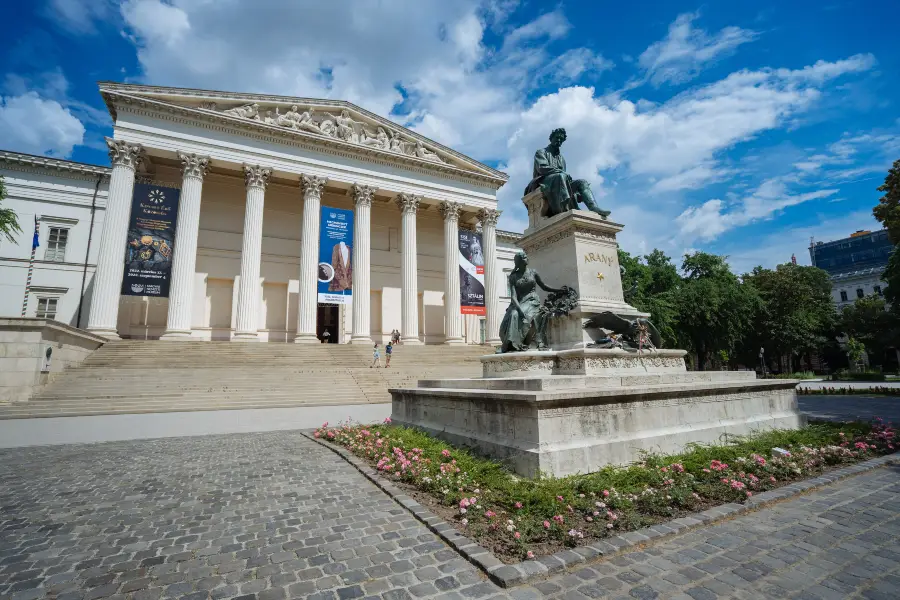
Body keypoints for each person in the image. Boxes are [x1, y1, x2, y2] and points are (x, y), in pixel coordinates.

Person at [497, 251, 567, 353]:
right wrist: (519, 310)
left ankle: (513, 344)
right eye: (524, 258)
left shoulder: (533, 272)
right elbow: (513, 296)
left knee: (517, 315)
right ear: (519, 262)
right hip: (519, 301)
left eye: (526, 257)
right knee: (514, 314)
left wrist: (558, 290)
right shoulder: (513, 277)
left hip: (532, 300)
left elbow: (543, 286)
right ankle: (510, 344)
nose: (527, 259)